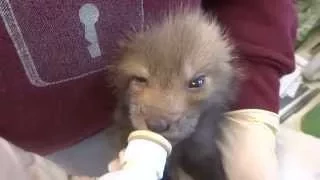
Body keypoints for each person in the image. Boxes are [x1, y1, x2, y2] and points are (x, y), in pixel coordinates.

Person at [0, 0, 297, 179]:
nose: (158, 119)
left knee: (206, 158)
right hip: (59, 139)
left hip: (209, 117)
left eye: (194, 84)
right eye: (140, 80)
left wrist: (252, 116)